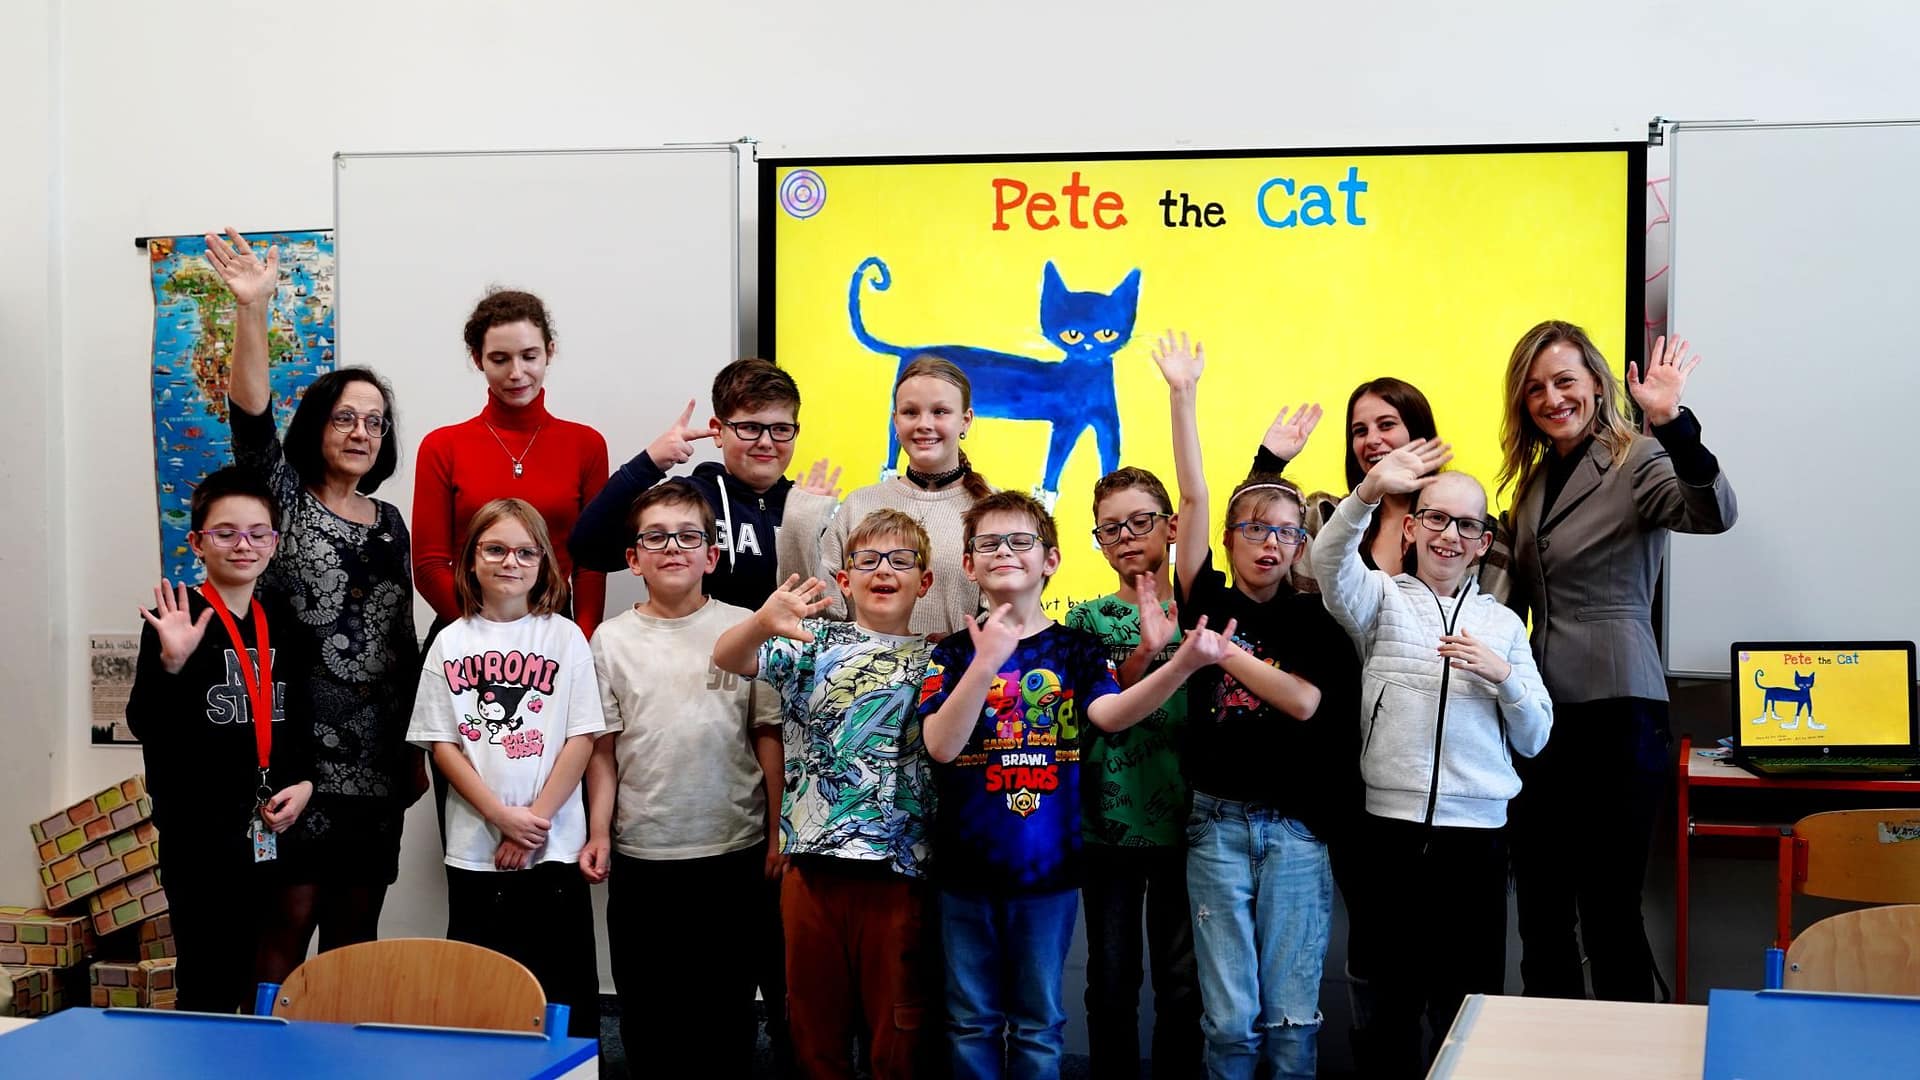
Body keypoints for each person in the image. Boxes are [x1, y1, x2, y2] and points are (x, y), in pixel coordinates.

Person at [918, 490, 1234, 1080]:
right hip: (964, 870)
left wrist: (1179, 664)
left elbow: (1112, 716)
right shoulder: (954, 653)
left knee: (1039, 1026)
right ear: (968, 565)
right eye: (988, 543)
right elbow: (941, 744)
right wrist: (986, 662)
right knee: (969, 1022)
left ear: (1051, 561)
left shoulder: (1078, 648)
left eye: (1020, 541)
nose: (1004, 551)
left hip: (1051, 872)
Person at [1498, 325, 1736, 1002]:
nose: (1551, 397)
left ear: (1597, 384)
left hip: (1619, 713)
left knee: (1609, 911)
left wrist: (1672, 423)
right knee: (1542, 914)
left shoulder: (1637, 458)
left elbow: (1712, 512)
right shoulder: (1535, 482)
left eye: (1565, 380)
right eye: (1536, 387)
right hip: (1541, 723)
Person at [204, 227, 422, 954]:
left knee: (357, 933)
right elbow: (250, 411)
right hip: (298, 754)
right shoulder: (283, 495)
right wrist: (253, 311)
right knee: (287, 920)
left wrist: (416, 747)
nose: (361, 431)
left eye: (374, 421)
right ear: (319, 426)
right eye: (345, 417)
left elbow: (400, 638)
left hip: (380, 763)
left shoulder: (391, 522)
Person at [1311, 442, 1552, 1076]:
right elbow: (1327, 560)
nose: (1450, 535)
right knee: (1387, 1005)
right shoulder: (1379, 600)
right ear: (1413, 527)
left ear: (1482, 543)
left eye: (1467, 525)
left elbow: (1536, 735)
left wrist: (1504, 676)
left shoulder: (1503, 626)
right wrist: (1367, 493)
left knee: (1465, 1008)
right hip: (1388, 834)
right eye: (1437, 518)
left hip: (1476, 842)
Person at [1157, 332, 1360, 1080]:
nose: (1270, 543)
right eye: (1255, 529)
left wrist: (1223, 653)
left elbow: (1305, 701)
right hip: (1216, 825)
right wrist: (1184, 395)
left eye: (1286, 531)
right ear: (1228, 540)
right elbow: (1193, 496)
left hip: (1295, 833)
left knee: (1290, 1020)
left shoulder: (1317, 620)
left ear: (1302, 544)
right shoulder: (1203, 596)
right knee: (1231, 1024)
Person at [712, 509, 940, 1080]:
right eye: (867, 561)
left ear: (925, 581)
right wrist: (763, 621)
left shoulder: (940, 659)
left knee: (899, 1029)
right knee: (814, 1024)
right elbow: (728, 658)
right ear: (845, 579)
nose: (883, 571)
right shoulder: (813, 644)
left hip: (898, 871)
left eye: (900, 561)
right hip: (811, 869)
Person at [579, 480, 781, 1077]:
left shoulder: (746, 626)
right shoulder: (610, 641)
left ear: (712, 555)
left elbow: (766, 735)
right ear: (632, 557)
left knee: (725, 1006)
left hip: (733, 847)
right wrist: (600, 833)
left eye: (689, 536)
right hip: (646, 852)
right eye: (656, 537)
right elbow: (603, 752)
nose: (674, 547)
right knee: (647, 1006)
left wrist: (776, 833)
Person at [405, 498, 604, 1039]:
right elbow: (442, 745)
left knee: (562, 985)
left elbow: (582, 736)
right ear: (470, 560)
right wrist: (501, 817)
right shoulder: (450, 640)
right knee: (483, 988)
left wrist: (532, 821)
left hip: (554, 843)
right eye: (494, 549)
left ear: (544, 563)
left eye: (525, 551)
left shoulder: (564, 638)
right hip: (476, 846)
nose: (509, 561)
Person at [126, 466, 315, 1013]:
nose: (244, 545)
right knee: (209, 972)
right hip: (199, 832)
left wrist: (305, 782)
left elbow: (299, 719)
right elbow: (144, 722)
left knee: (263, 964)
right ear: (197, 543)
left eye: (259, 533)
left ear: (275, 543)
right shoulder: (174, 617)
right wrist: (171, 662)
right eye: (225, 533)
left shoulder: (282, 619)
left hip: (270, 824)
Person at [1064, 467, 1203, 1079]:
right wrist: (1145, 651)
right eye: (1109, 528)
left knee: (1182, 983)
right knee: (1112, 979)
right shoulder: (1086, 622)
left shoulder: (1202, 608)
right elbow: (1099, 714)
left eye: (1140, 521)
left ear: (1171, 526)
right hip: (1107, 829)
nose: (1125, 536)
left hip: (1192, 828)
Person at [413, 289, 609, 639]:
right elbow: (429, 565)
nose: (517, 373)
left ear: (550, 352)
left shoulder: (586, 445)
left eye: (529, 356)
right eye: (500, 359)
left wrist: (582, 638)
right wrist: (481, 635)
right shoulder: (442, 446)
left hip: (554, 634)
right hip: (463, 630)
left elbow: (589, 565)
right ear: (478, 359)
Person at [570, 357, 839, 611]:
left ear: (796, 431)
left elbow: (840, 602)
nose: (766, 442)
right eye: (750, 427)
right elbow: (589, 550)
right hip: (698, 656)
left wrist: (807, 523)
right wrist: (648, 464)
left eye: (780, 429)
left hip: (789, 658)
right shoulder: (684, 502)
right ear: (717, 430)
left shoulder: (809, 509)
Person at [820, 355, 992, 637]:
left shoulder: (991, 511)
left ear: (965, 420)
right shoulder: (858, 504)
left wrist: (953, 652)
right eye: (911, 412)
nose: (924, 424)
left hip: (956, 678)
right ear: (895, 422)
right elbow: (825, 608)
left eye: (940, 412)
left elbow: (1004, 613)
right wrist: (799, 527)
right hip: (864, 678)